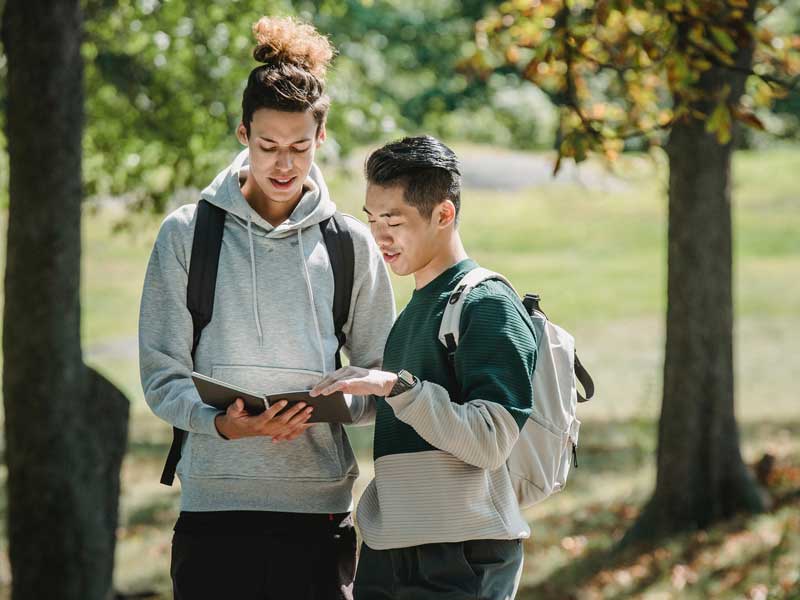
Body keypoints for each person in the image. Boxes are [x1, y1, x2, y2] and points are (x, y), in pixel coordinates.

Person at [138, 16, 395, 600]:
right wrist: (223, 425)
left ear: (321, 139)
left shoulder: (350, 242)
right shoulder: (187, 234)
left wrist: (334, 405)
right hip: (214, 508)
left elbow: (384, 377)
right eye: (268, 146)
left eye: (299, 148)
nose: (284, 165)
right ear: (242, 133)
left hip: (319, 511)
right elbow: (160, 373)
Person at [311, 136, 537, 599]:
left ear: (443, 215)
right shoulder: (411, 313)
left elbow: (490, 439)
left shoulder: (487, 303)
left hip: (461, 556)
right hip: (390, 549)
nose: (379, 237)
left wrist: (396, 387)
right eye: (372, 220)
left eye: (394, 222)